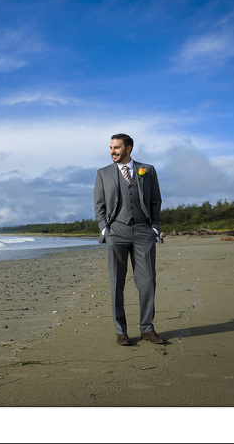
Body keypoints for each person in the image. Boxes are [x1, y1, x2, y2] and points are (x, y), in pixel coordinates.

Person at [93, 133, 166, 346]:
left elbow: (155, 200)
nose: (112, 151)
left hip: (144, 230)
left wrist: (155, 227)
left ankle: (147, 329)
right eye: (110, 148)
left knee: (147, 282)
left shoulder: (147, 170)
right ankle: (121, 331)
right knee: (117, 282)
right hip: (116, 231)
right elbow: (99, 205)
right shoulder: (103, 173)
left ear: (129, 148)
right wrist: (105, 229)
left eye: (116, 147)